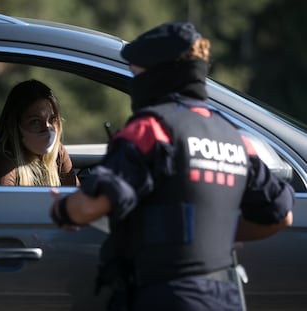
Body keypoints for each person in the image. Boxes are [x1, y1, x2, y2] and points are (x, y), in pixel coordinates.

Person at [49, 22, 294, 311]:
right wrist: (213, 231)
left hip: (167, 297)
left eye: (136, 72)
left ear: (158, 74)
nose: (132, 80)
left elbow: (89, 207)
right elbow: (281, 217)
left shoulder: (152, 130)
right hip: (225, 297)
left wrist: (63, 210)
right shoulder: (236, 138)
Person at [0, 79, 79, 186]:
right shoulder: (1, 164)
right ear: (15, 125)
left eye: (52, 119)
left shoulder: (57, 153)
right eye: (35, 121)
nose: (47, 128)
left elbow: (79, 198)